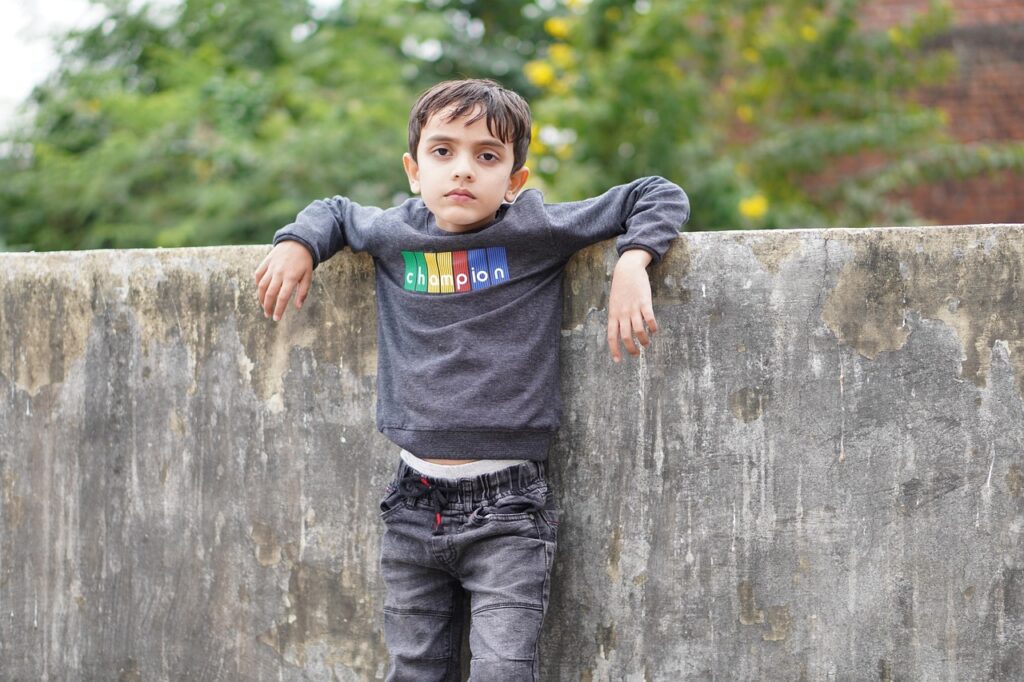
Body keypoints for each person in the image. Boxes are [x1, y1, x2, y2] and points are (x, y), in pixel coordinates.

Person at [253, 78, 690, 681]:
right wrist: (297, 243)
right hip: (412, 504)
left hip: (508, 510)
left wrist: (634, 261)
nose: (462, 169)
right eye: (443, 151)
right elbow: (333, 211)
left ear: (514, 180)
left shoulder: (534, 229)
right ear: (413, 171)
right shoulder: (393, 233)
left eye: (487, 156)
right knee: (414, 669)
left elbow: (656, 192)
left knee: (502, 670)